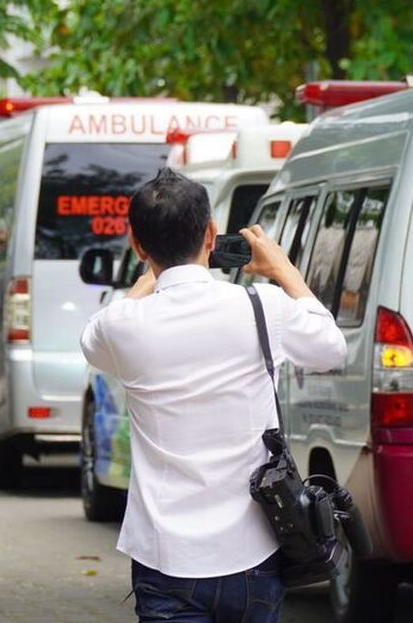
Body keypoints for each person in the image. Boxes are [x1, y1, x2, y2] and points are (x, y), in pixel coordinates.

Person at [80, 169, 346, 623]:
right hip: (252, 550)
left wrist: (151, 269)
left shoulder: (120, 327)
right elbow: (331, 347)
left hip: (165, 555)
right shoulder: (262, 306)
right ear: (210, 233)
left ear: (137, 246)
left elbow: (99, 331)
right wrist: (282, 269)